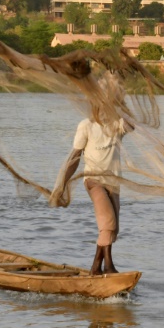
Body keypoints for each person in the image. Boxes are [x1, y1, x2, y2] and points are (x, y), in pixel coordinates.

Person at [63, 88, 132, 276]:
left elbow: (132, 124)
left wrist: (120, 102)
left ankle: (95, 267)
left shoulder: (118, 125)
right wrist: (63, 183)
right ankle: (108, 266)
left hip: (113, 181)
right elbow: (75, 157)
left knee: (112, 229)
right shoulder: (86, 126)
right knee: (108, 222)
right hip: (93, 181)